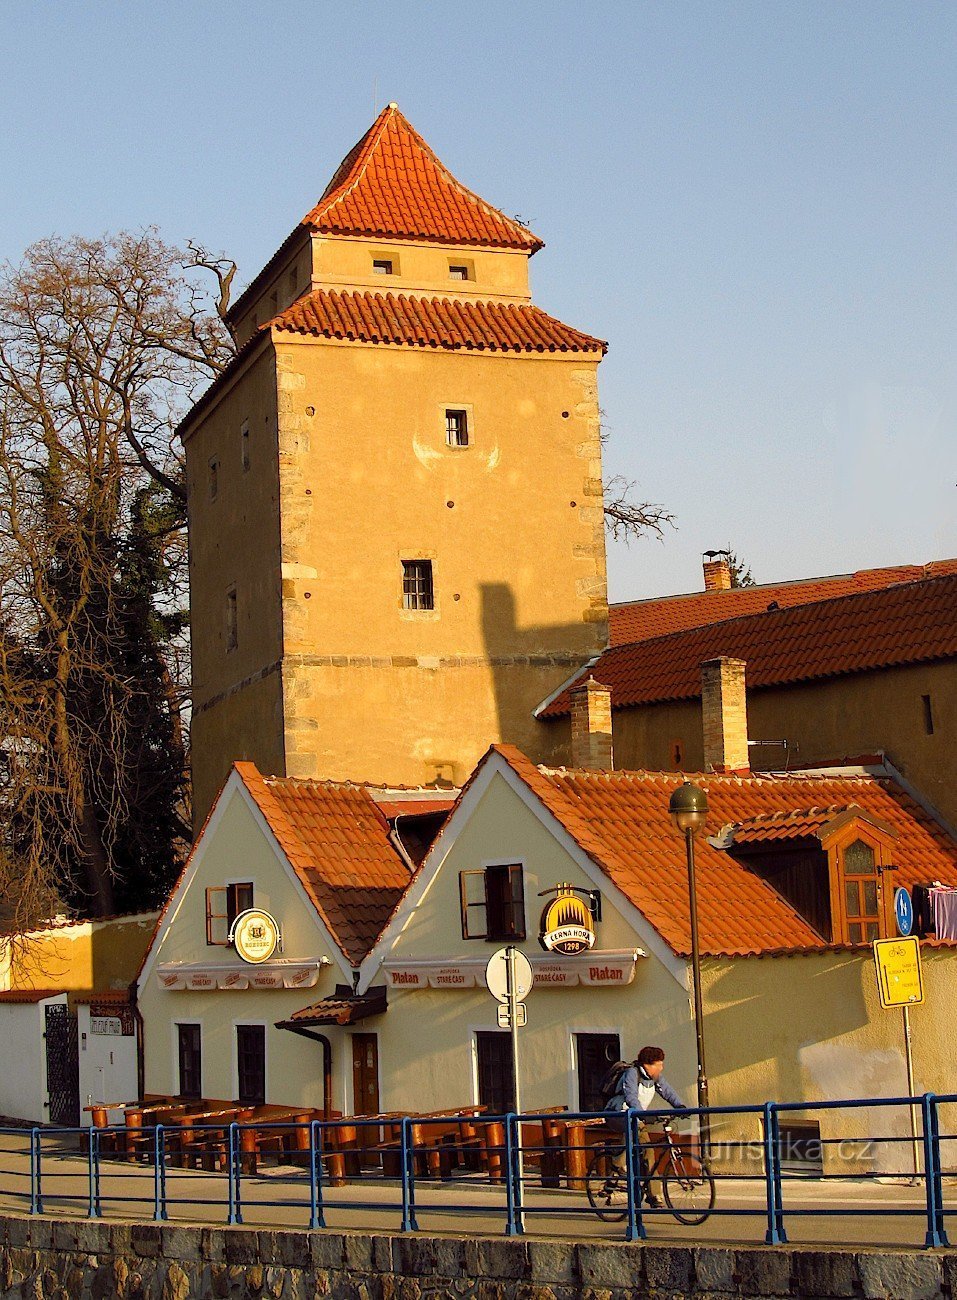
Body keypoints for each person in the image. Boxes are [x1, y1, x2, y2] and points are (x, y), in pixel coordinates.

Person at [603, 1045, 687, 1206]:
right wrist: (642, 1114)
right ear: (648, 1064)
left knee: (648, 1152)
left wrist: (681, 1107)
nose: (661, 1067)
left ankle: (653, 1195)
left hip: (636, 1116)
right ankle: (618, 1165)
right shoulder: (632, 1074)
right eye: (659, 1063)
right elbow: (631, 1097)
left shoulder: (656, 1078)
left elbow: (668, 1092)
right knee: (635, 1128)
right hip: (616, 1113)